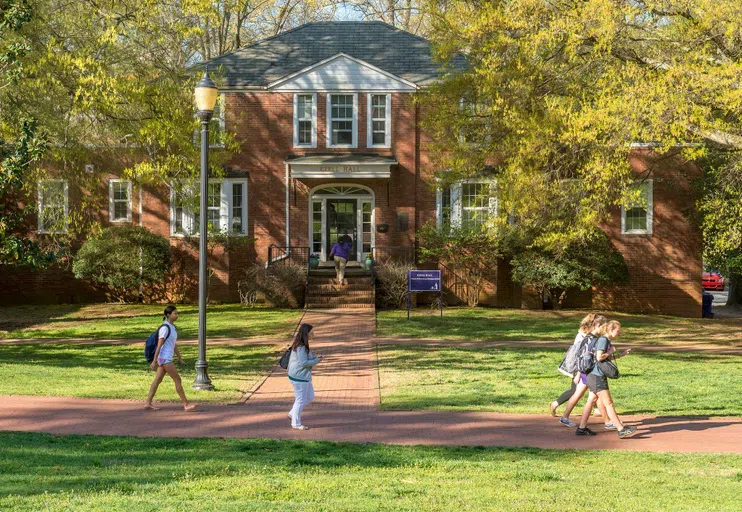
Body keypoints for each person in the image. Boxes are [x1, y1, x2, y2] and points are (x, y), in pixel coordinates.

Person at [575, 320, 637, 438]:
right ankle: (621, 429)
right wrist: (610, 351)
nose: (619, 333)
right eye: (618, 330)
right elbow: (599, 357)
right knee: (608, 403)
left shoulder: (604, 340)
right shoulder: (603, 340)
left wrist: (620, 355)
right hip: (597, 376)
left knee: (592, 400)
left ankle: (581, 428)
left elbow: (604, 360)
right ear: (611, 329)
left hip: (593, 375)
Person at [555, 315, 610, 428]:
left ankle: (568, 419)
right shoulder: (591, 339)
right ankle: (607, 422)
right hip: (588, 371)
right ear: (598, 326)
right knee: (596, 396)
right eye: (604, 327)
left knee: (584, 395)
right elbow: (586, 356)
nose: (605, 329)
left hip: (585, 370)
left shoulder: (588, 337)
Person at [145, 305, 197, 411]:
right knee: (177, 379)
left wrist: (180, 358)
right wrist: (154, 361)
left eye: (177, 313)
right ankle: (186, 405)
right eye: (175, 313)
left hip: (166, 358)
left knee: (157, 380)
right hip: (164, 358)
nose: (177, 315)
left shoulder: (172, 327)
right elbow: (159, 345)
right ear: (168, 315)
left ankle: (148, 403)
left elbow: (173, 344)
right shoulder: (165, 328)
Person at [550, 313, 595, 416]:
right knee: (575, 390)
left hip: (585, 364)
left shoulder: (586, 334)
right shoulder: (583, 336)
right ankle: (555, 404)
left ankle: (597, 409)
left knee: (594, 385)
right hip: (578, 365)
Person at [288, 323, 323, 430]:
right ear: (306, 334)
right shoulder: (301, 347)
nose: (314, 334)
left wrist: (315, 358)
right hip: (299, 377)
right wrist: (317, 360)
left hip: (302, 376)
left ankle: (293, 413)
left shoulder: (303, 345)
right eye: (312, 333)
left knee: (310, 396)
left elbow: (307, 359)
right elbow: (304, 362)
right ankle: (296, 423)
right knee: (301, 399)